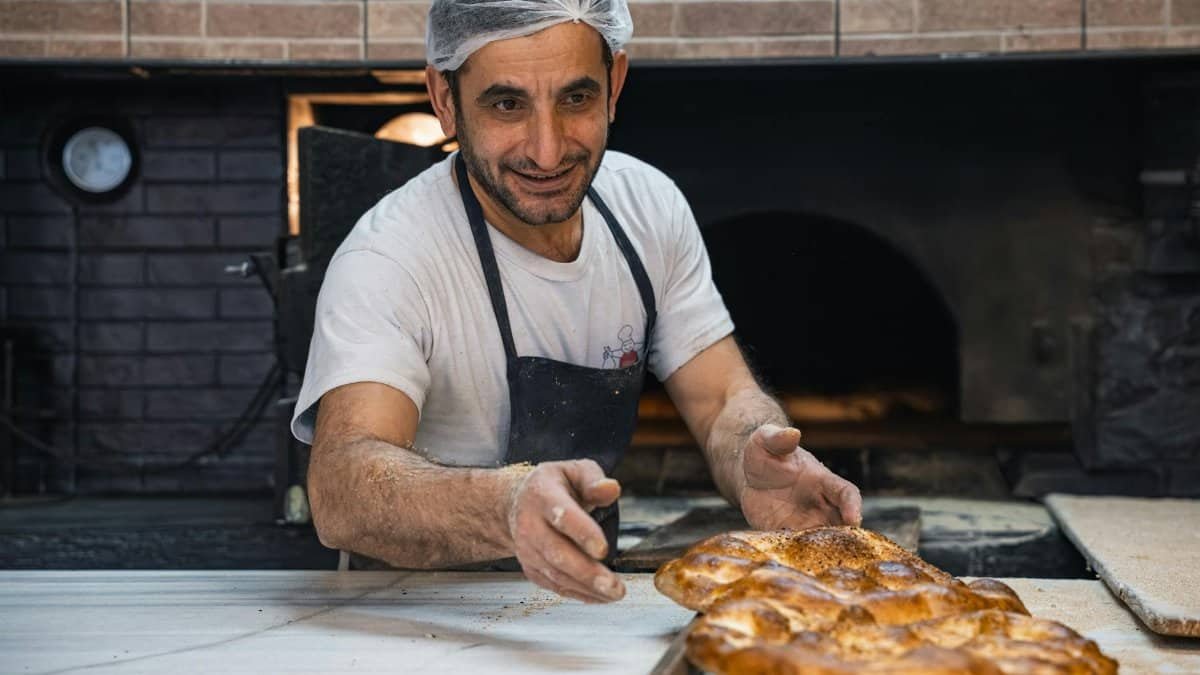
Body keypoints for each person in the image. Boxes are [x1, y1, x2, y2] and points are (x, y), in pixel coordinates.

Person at [291, 0, 862, 604]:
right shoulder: (390, 259)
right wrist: (506, 506)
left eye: (576, 99)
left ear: (614, 85)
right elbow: (343, 486)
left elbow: (721, 398)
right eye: (506, 105)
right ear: (444, 98)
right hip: (410, 617)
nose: (547, 151)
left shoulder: (647, 206)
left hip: (584, 607)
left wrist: (754, 451)